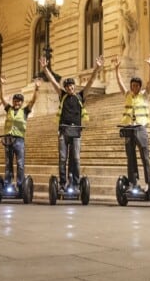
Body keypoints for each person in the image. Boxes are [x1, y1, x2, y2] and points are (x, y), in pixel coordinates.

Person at [40, 55, 103, 189]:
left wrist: (97, 68)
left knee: (76, 159)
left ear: (74, 86)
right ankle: (63, 183)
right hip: (63, 130)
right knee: (63, 158)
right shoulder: (62, 95)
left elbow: (90, 82)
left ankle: (75, 182)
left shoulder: (81, 96)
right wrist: (45, 69)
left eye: (71, 86)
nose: (69, 88)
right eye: (67, 86)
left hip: (76, 132)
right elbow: (53, 82)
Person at [112, 56, 150, 187]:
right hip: (129, 128)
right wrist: (117, 69)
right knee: (130, 158)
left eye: (136, 85)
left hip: (141, 128)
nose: (134, 87)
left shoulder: (144, 95)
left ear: (139, 87)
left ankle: (148, 183)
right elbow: (119, 83)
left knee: (145, 157)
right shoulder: (127, 95)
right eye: (132, 85)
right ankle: (133, 182)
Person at [0, 75, 40, 189]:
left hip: (19, 140)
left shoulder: (25, 111)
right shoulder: (9, 109)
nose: (17, 103)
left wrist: (36, 88)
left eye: (19, 101)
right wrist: (2, 84)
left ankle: (21, 185)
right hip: (8, 139)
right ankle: (8, 184)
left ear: (21, 102)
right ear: (13, 102)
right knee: (8, 163)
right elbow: (2, 98)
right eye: (15, 101)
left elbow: (33, 101)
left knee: (20, 164)